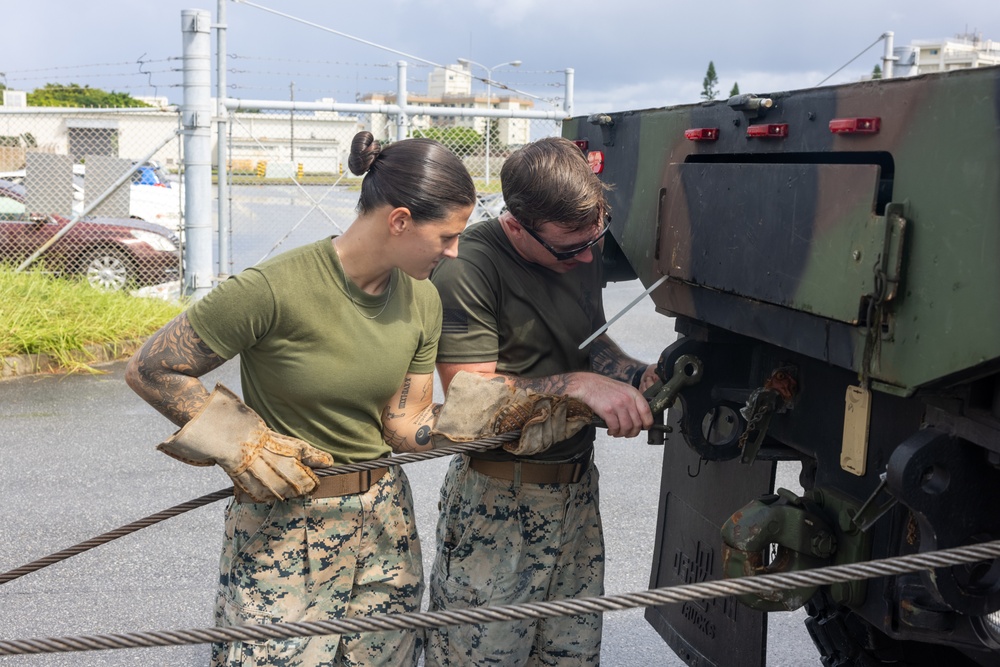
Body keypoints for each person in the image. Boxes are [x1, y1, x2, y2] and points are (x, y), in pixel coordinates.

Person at [125, 130, 476, 667]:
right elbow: (151, 367)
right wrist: (243, 442)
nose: (453, 252)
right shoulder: (272, 288)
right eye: (447, 237)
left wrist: (499, 415)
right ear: (400, 220)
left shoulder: (423, 300)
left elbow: (404, 425)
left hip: (385, 527)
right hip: (286, 527)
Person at [425, 136, 660, 666]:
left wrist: (635, 375)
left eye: (593, 239)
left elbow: (587, 340)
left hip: (576, 495)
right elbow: (470, 403)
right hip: (498, 505)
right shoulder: (469, 267)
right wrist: (578, 386)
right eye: (567, 248)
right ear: (515, 226)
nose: (585, 257)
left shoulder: (582, 245)